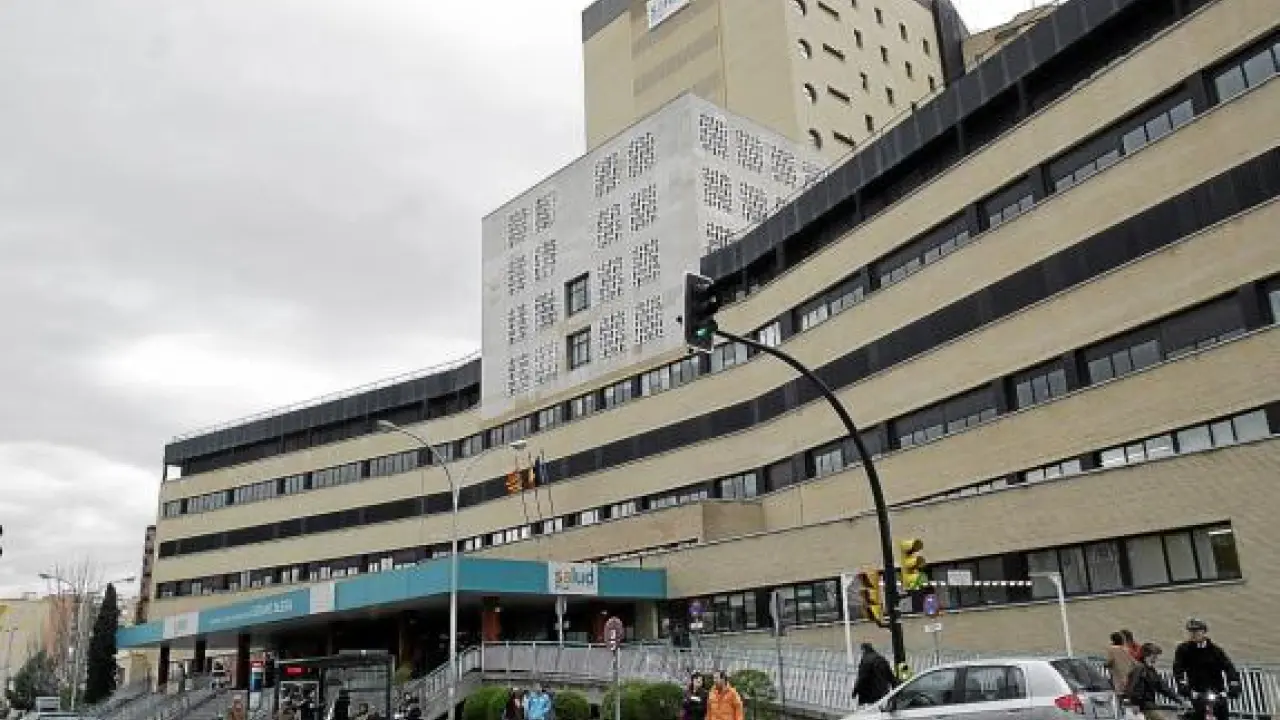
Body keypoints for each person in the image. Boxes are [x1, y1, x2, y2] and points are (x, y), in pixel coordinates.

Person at [1173, 618, 1241, 720]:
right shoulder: (1183, 650)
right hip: (1196, 692)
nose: (1193, 634)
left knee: (1222, 714)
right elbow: (1178, 669)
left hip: (1217, 691)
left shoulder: (1215, 650)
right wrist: (1182, 684)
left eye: (1197, 631)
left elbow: (1229, 667)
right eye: (1191, 631)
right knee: (1196, 714)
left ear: (1204, 632)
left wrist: (1233, 683)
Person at [1126, 643, 1182, 720]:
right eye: (1155, 655)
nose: (1156, 657)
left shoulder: (1151, 670)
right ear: (1148, 655)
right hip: (1143, 705)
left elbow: (1161, 687)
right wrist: (1135, 703)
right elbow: (1134, 686)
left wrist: (1177, 699)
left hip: (1149, 704)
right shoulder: (1139, 668)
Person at [852, 643, 897, 707]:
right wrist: (895, 687)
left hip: (869, 695)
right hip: (883, 692)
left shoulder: (866, 660)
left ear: (863, 650)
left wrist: (855, 691)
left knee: (870, 711)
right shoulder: (881, 659)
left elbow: (862, 677)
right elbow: (890, 675)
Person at [1106, 632, 1140, 701]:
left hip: (1118, 676)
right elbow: (1134, 662)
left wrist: (1106, 665)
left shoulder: (1112, 649)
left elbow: (1110, 662)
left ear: (1113, 640)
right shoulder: (1126, 649)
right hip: (1127, 676)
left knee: (1118, 694)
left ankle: (1119, 706)